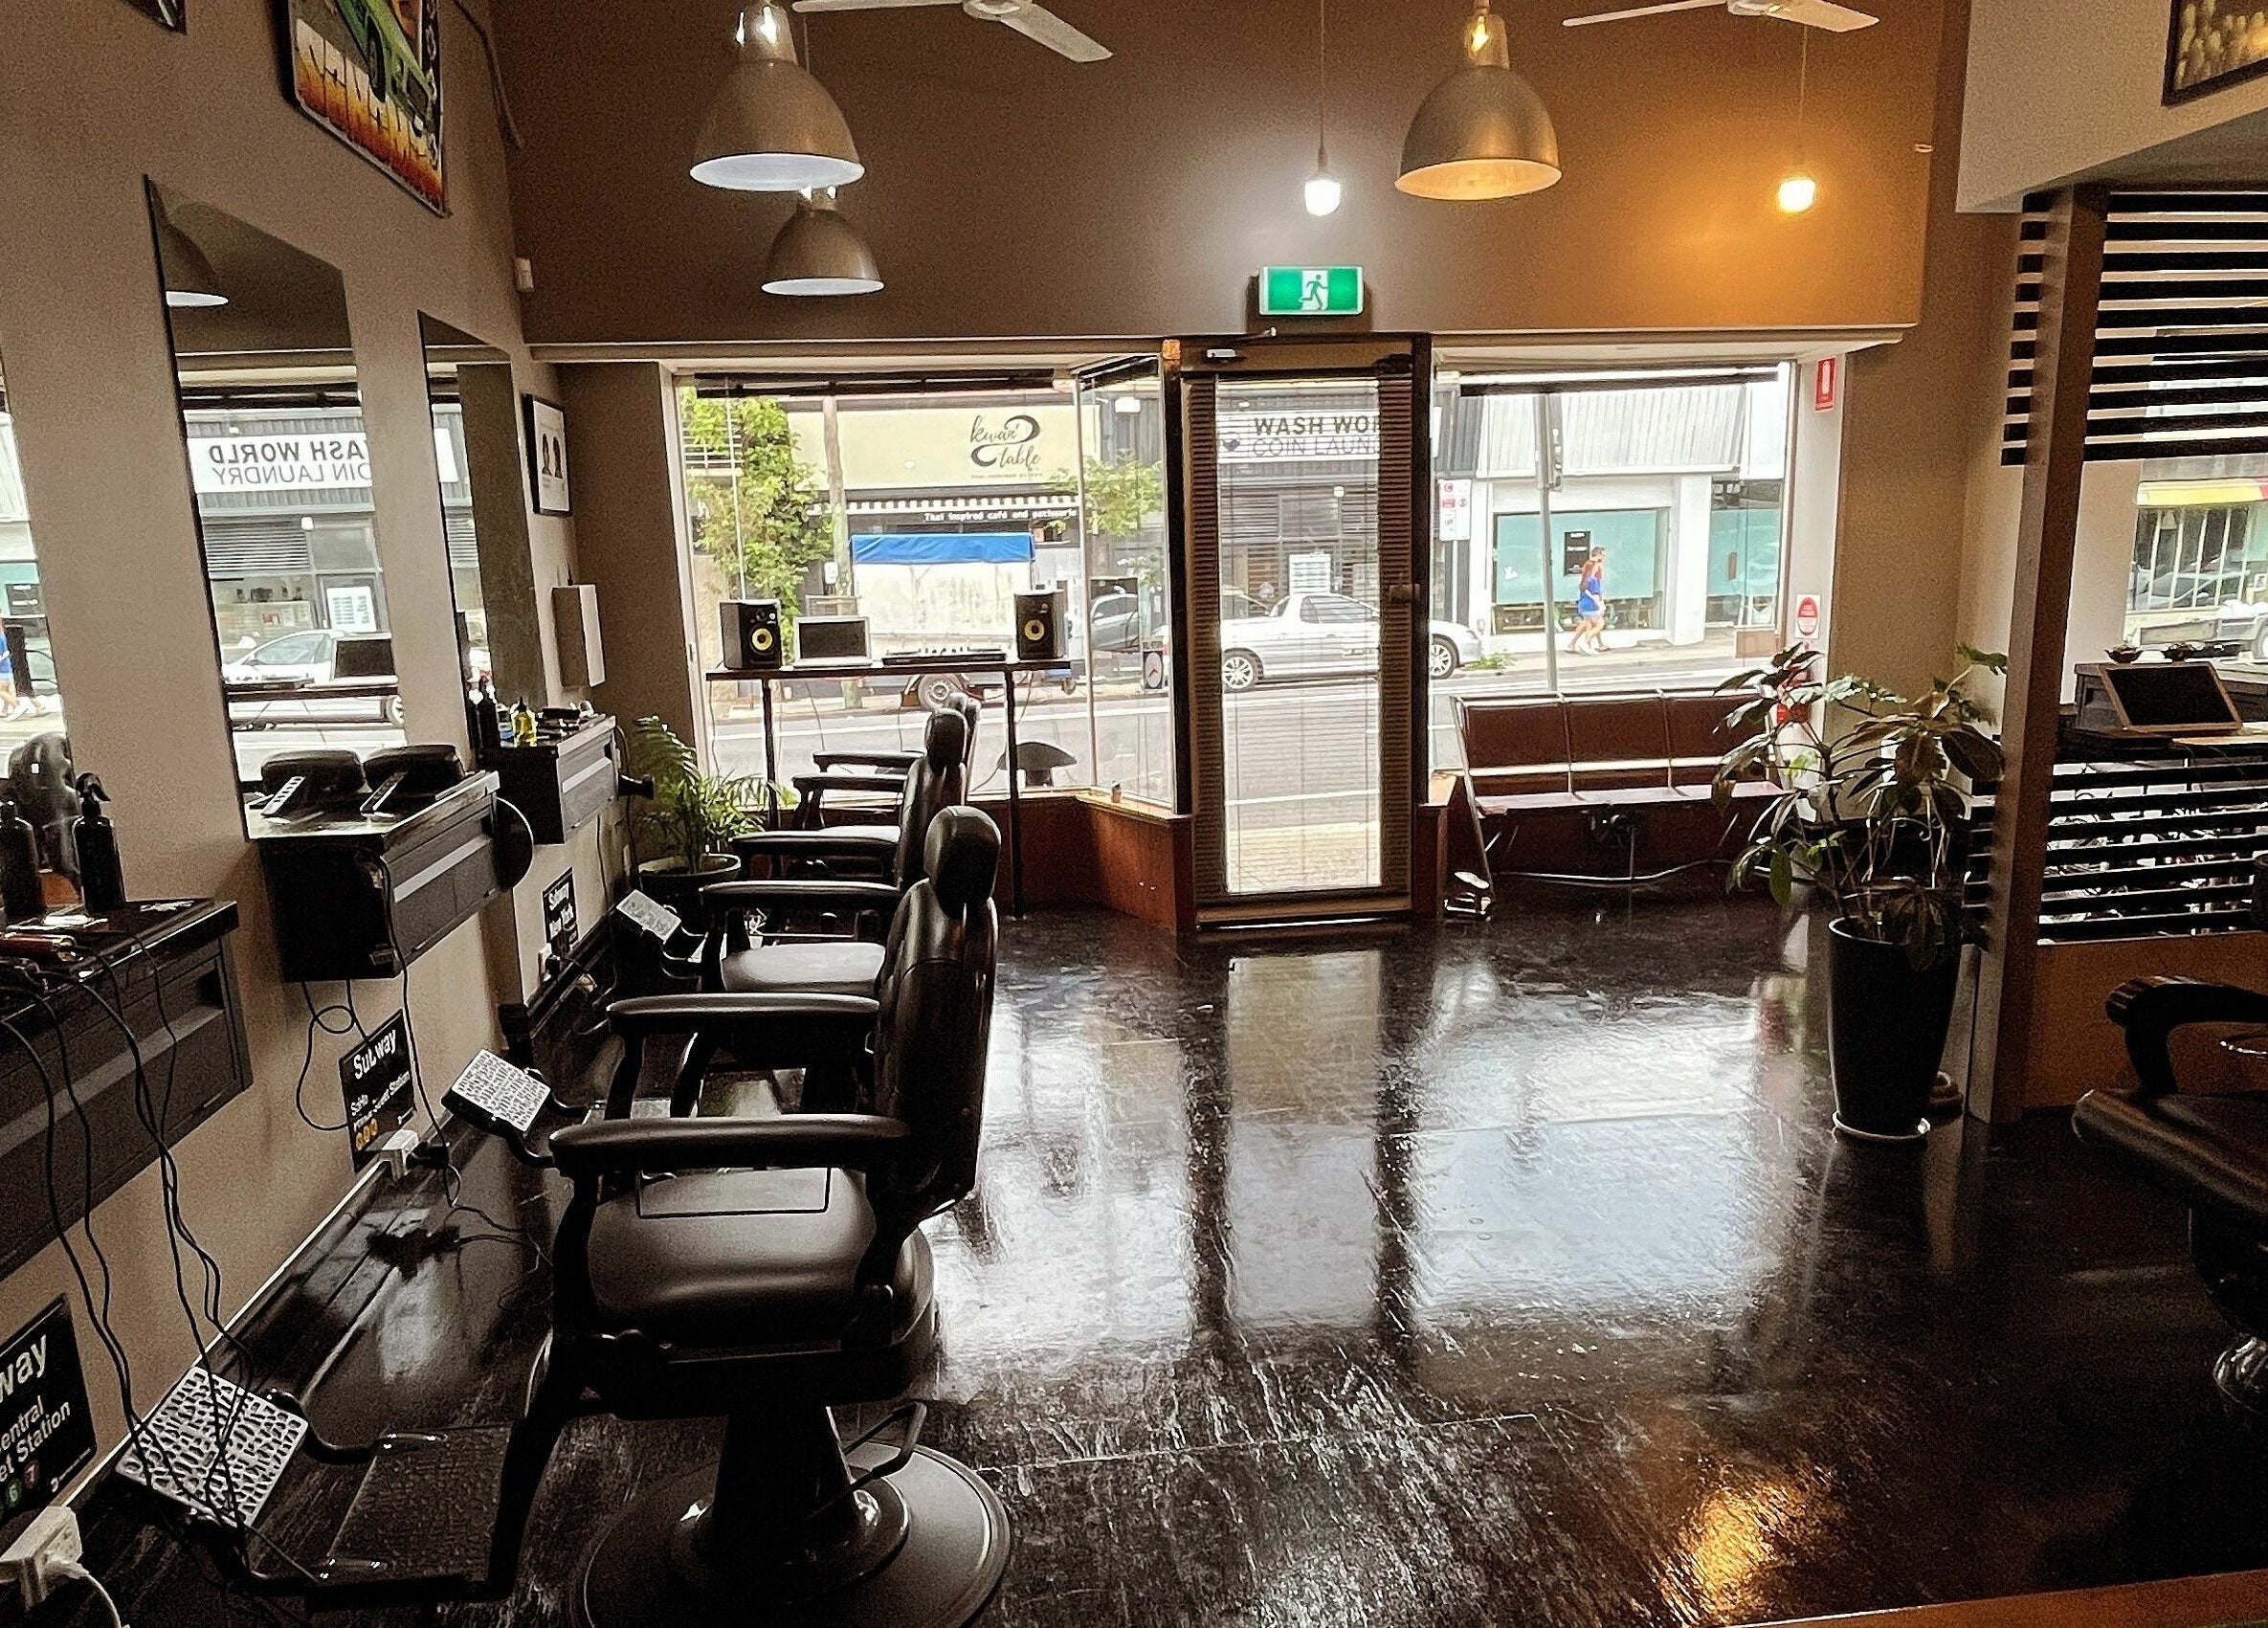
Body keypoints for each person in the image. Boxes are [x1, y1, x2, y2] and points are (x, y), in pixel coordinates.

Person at [1568, 548, 1607, 656]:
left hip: (1584, 605)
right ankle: (1586, 642)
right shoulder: (1594, 579)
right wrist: (1600, 605)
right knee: (1599, 623)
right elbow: (1596, 595)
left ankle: (1583, 644)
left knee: (1588, 623)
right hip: (1591, 606)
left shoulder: (1586, 578)